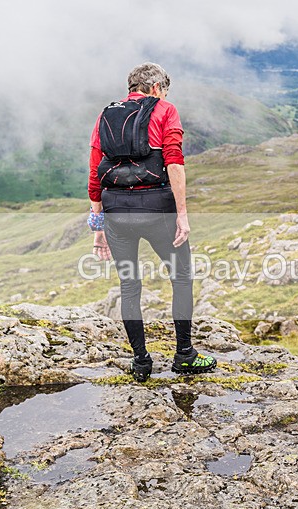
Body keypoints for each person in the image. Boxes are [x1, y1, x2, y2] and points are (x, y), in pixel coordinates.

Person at [87, 62, 216, 382]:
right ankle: (184, 355)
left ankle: (141, 361)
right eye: (165, 91)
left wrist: (98, 227)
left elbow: (94, 173)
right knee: (181, 278)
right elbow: (174, 162)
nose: (165, 96)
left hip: (116, 213)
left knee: (129, 286)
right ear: (157, 88)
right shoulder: (165, 110)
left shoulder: (106, 115)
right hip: (159, 211)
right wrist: (182, 214)